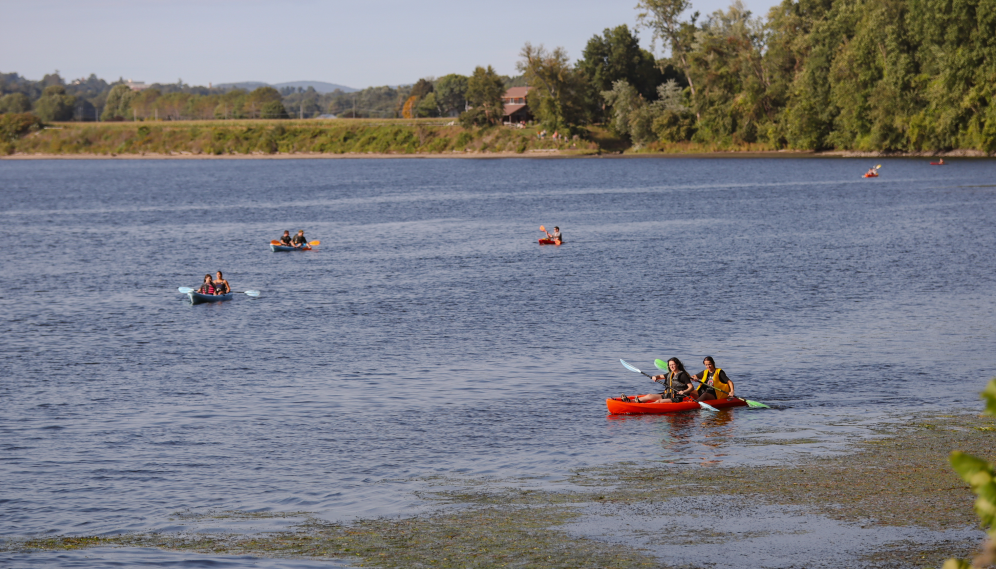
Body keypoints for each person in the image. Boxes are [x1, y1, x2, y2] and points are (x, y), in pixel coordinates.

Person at [620, 357, 695, 403]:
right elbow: (660, 376)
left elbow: (691, 387)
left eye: (673, 364)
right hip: (667, 395)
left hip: (676, 398)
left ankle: (643, 407)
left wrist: (684, 391)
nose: (671, 366)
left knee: (659, 401)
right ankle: (630, 401)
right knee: (649, 395)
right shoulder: (670, 374)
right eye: (670, 365)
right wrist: (655, 377)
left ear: (677, 364)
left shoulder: (683, 375)